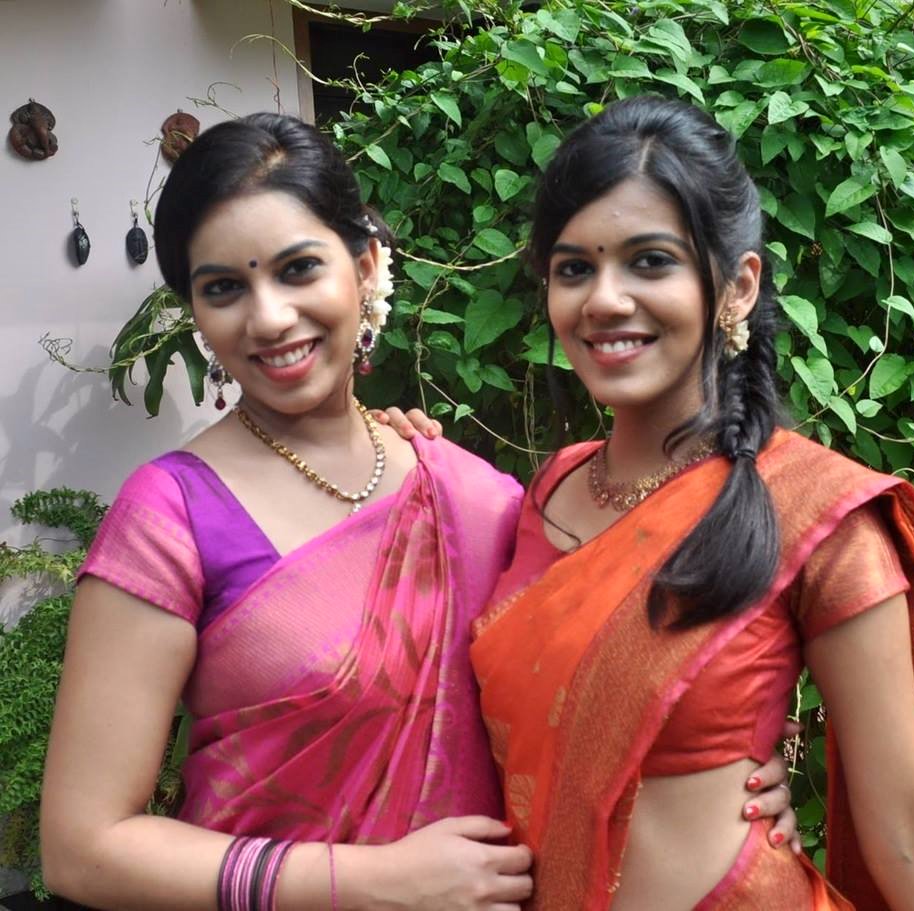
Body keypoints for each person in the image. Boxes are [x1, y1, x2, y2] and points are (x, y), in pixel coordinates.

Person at [39, 112, 794, 911]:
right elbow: (83, 847)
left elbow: (587, 690)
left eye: (299, 269)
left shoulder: (479, 497)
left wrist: (726, 779)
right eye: (223, 287)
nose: (268, 317)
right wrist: (368, 883)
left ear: (366, 265)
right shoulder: (171, 514)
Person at [386, 96, 914, 910]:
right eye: (574, 268)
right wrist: (386, 445)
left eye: (651, 261)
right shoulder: (548, 488)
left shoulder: (814, 512)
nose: (605, 299)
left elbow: (911, 833)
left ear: (737, 287)